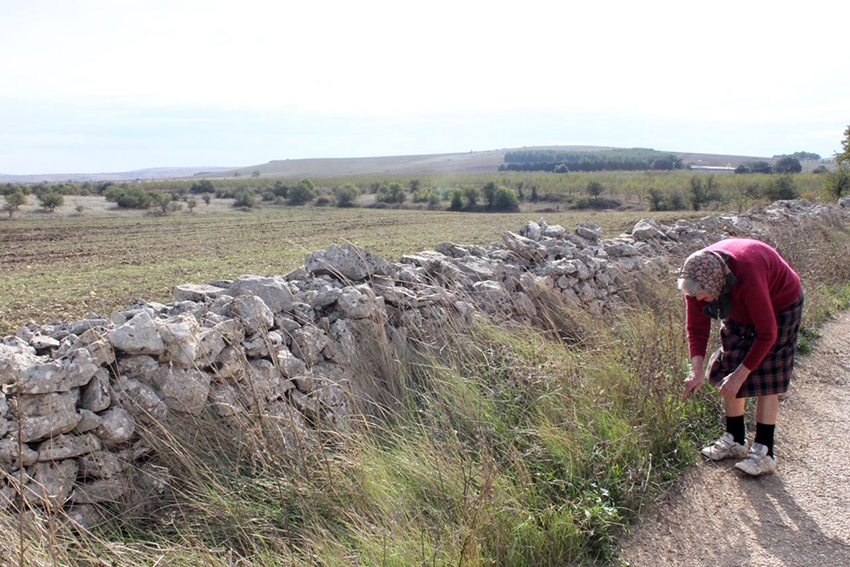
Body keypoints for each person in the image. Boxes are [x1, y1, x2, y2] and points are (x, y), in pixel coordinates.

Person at [678, 238, 803, 476]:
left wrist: (740, 375)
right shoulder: (697, 278)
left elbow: (767, 334)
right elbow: (696, 328)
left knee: (768, 376)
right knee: (729, 367)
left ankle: (765, 452)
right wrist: (696, 372)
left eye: (703, 297)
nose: (698, 301)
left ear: (717, 286)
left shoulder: (748, 275)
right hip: (739, 308)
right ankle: (735, 439)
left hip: (780, 304)